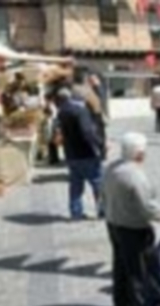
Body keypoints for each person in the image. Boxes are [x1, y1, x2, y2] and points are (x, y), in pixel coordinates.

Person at [102, 132, 160, 306]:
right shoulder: (135, 176)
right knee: (139, 270)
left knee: (120, 265)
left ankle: (121, 303)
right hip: (133, 228)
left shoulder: (111, 168)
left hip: (113, 223)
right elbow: (148, 206)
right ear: (139, 153)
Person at [55, 87, 104, 220]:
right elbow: (87, 132)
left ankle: (76, 212)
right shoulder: (81, 111)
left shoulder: (62, 111)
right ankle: (103, 210)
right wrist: (100, 144)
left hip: (71, 153)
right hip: (87, 153)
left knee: (75, 185)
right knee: (98, 182)